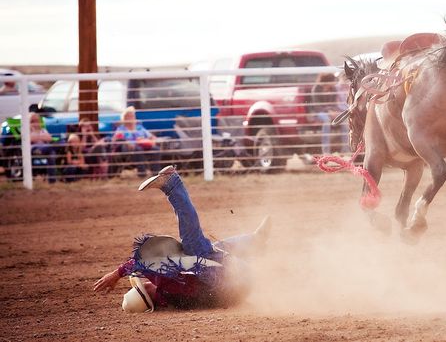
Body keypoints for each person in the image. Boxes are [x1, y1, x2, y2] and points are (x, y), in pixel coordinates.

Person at [93, 165, 271, 312]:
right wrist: (117, 274)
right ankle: (172, 183)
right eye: (142, 287)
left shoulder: (174, 301)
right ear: (147, 292)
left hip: (240, 286)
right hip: (231, 279)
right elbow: (145, 262)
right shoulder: (165, 284)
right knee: (194, 245)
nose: (144, 283)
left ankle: (255, 240)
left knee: (210, 250)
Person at [112, 106, 160, 176]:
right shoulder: (121, 129)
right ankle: (142, 174)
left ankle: (156, 174)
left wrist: (152, 140)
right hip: (129, 148)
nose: (131, 118)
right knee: (138, 149)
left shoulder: (139, 127)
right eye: (129, 116)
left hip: (143, 145)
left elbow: (151, 136)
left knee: (156, 149)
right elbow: (115, 139)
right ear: (124, 118)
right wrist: (126, 142)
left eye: (132, 116)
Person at [311, 73, 350, 155]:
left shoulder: (333, 89)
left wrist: (334, 111)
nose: (334, 83)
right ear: (327, 81)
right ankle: (326, 150)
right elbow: (317, 106)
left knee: (344, 121)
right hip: (319, 112)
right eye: (333, 81)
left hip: (331, 111)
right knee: (327, 121)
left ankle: (346, 149)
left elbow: (333, 104)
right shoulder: (316, 89)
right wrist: (329, 111)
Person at [29, 112, 57, 183]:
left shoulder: (43, 130)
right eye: (33, 121)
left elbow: (50, 138)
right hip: (34, 150)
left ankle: (52, 181)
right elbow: (30, 139)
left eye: (37, 121)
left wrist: (38, 137)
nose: (36, 123)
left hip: (45, 149)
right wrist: (42, 137)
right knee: (52, 149)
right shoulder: (27, 130)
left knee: (51, 154)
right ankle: (52, 180)